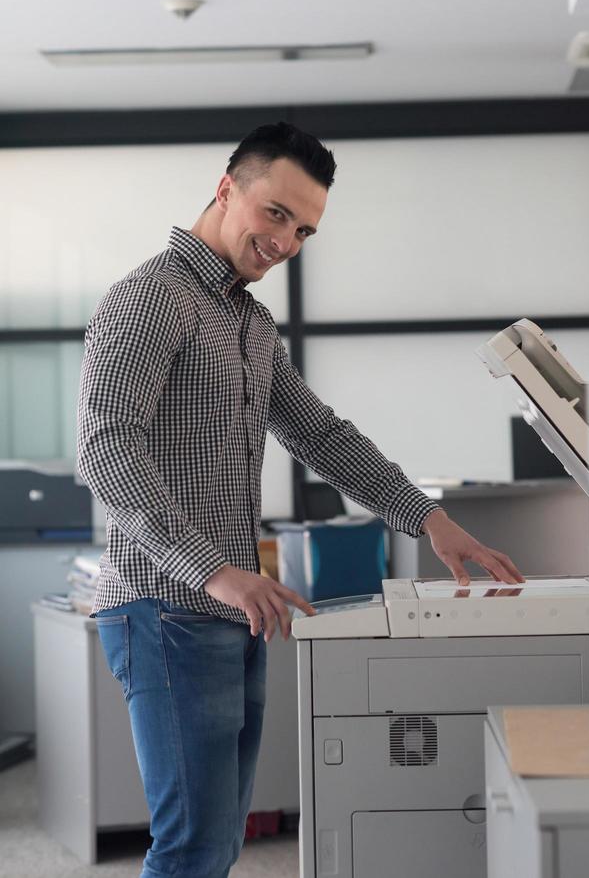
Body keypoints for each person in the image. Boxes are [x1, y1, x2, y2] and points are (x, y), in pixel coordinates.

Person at [77, 122, 524, 878]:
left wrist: (432, 521)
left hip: (228, 611)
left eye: (306, 228)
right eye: (276, 213)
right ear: (228, 189)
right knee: (190, 847)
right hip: (166, 608)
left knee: (216, 845)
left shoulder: (249, 322)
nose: (287, 240)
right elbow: (104, 448)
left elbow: (321, 435)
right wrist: (217, 571)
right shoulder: (153, 298)